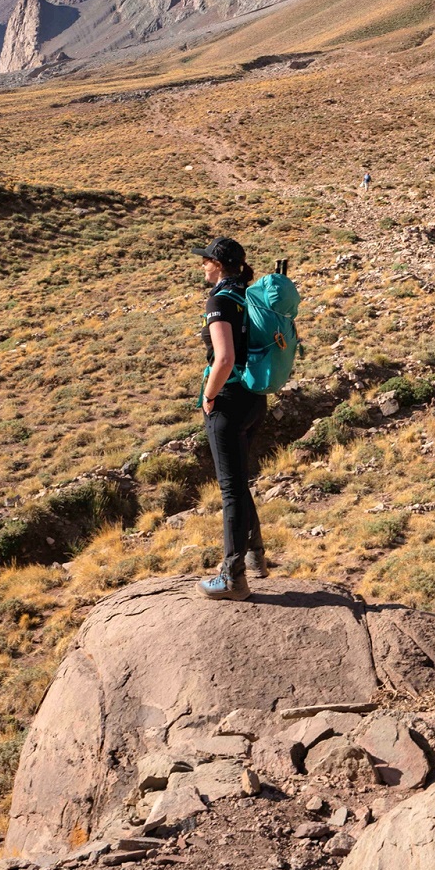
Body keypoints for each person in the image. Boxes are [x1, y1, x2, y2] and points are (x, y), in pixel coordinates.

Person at [192, 236, 268, 601]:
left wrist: (208, 398)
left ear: (218, 265)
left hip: (229, 400)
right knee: (238, 482)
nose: (202, 266)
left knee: (231, 489)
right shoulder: (250, 297)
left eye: (205, 260)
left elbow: (223, 359)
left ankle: (232, 577)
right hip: (255, 399)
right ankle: (255, 555)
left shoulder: (220, 300)